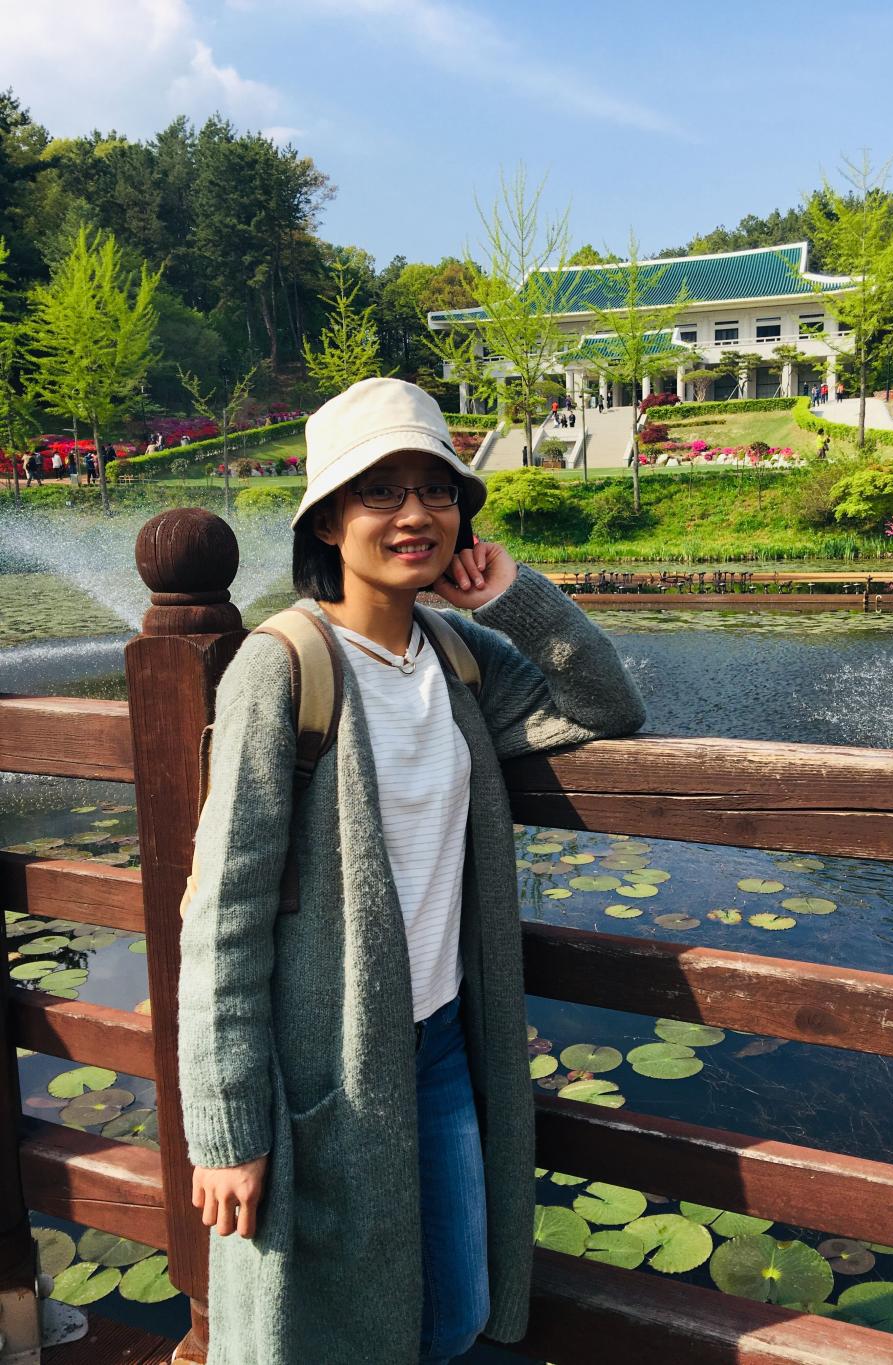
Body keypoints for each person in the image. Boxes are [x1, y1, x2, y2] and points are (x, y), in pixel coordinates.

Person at [178, 377, 645, 1365]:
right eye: (380, 490)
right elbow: (223, 914)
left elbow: (608, 705)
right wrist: (226, 1128)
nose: (415, 514)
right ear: (327, 518)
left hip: (440, 1046)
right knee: (334, 1328)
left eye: (436, 489)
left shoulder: (457, 656)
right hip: (326, 1063)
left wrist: (515, 598)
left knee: (452, 1311)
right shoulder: (281, 666)